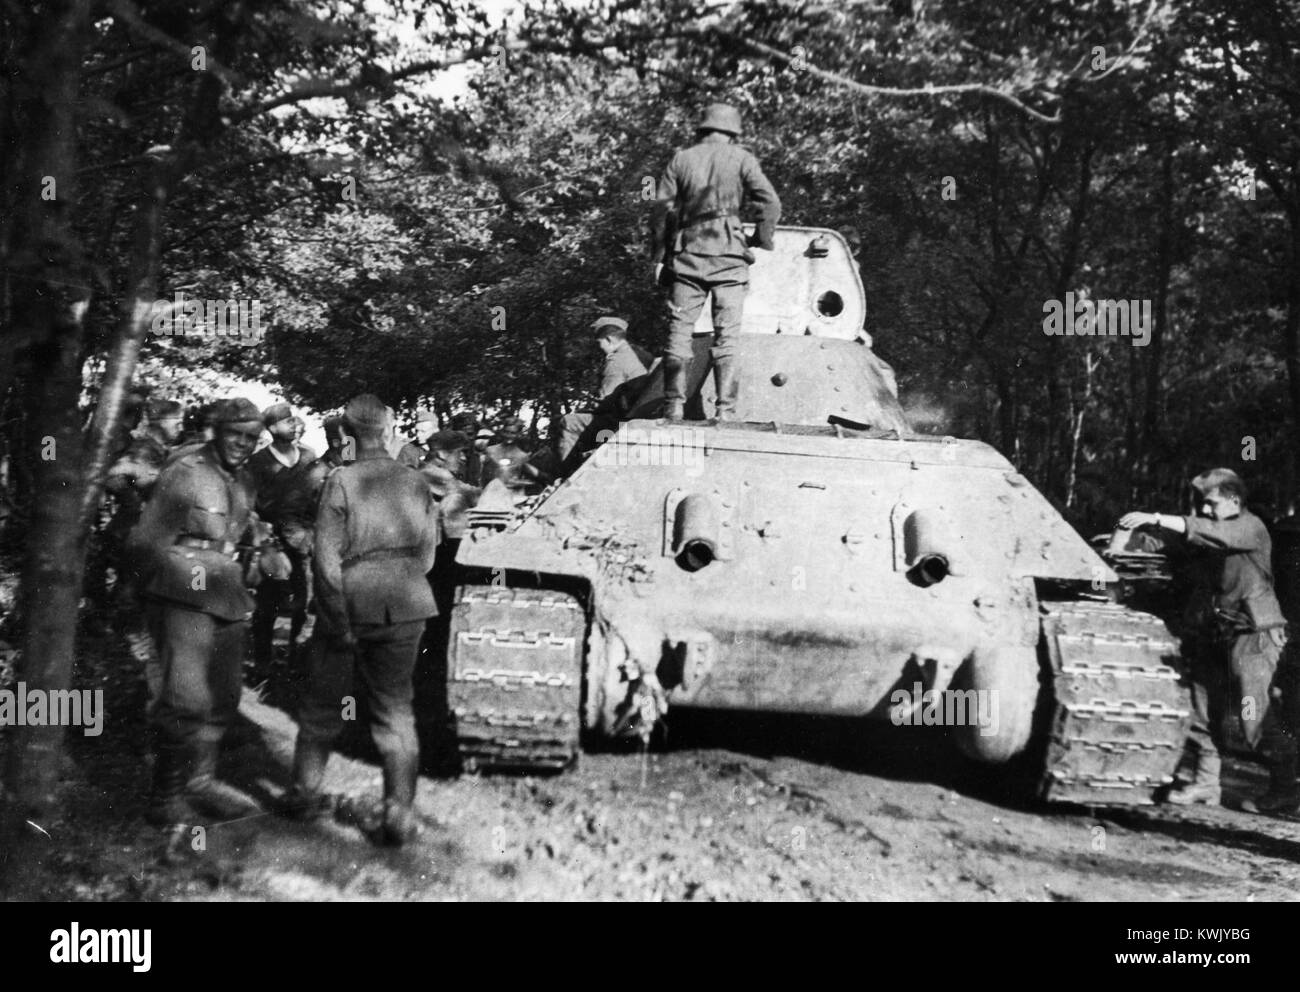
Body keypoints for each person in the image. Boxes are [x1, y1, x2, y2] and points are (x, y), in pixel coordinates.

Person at [284, 394, 440, 846]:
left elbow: (325, 560)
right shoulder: (416, 481)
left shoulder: (342, 480)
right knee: (395, 710)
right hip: (407, 601)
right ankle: (399, 815)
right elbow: (428, 556)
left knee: (322, 705)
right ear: (389, 432)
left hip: (352, 601)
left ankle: (303, 795)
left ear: (347, 434)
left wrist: (338, 617)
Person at [128, 397, 288, 826]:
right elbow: (146, 541)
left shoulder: (245, 478)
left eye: (251, 438)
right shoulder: (186, 471)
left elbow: (244, 526)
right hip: (182, 590)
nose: (243, 444)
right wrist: (145, 604)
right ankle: (165, 798)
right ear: (215, 431)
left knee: (224, 696)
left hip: (226, 591)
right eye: (235, 435)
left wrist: (265, 548)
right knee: (186, 699)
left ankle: (201, 782)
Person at [1119, 468, 1297, 811]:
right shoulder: (1211, 533)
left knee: (1253, 717)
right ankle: (1205, 784)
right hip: (1215, 634)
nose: (1203, 509)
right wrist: (1133, 533)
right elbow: (1177, 546)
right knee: (1201, 712)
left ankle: (1286, 787)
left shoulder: (1250, 528)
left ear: (1234, 501)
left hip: (1253, 638)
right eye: (1201, 503)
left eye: (1211, 503)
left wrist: (1156, 517)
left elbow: (1213, 534)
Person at [650, 102, 781, 420]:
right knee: (727, 336)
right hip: (730, 259)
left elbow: (660, 211)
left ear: (703, 129)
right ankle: (724, 410)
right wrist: (759, 239)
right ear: (733, 132)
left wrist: (659, 257)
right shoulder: (742, 158)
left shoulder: (681, 159)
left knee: (679, 331)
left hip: (688, 258)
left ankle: (673, 406)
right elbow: (771, 203)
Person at [248, 405, 317, 671]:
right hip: (272, 542)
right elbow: (251, 505)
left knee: (303, 601)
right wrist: (263, 539)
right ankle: (263, 662)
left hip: (303, 540)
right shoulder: (258, 461)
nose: (293, 424)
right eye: (285, 421)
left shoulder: (308, 457)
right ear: (271, 428)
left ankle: (295, 661)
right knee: (268, 603)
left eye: (293, 420)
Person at [558, 316, 652, 462]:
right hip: (637, 417)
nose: (599, 347)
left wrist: (587, 409)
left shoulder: (616, 361)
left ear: (609, 339)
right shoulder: (641, 355)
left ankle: (566, 472)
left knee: (568, 422)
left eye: (599, 342)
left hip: (620, 423)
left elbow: (605, 401)